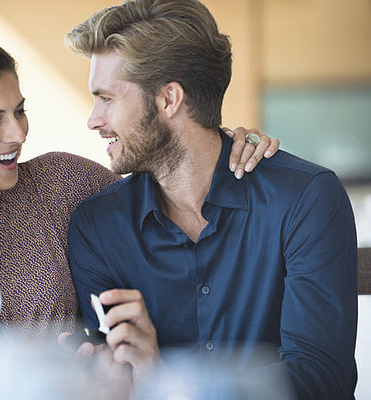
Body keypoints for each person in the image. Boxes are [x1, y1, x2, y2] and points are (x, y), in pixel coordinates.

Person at [0, 30, 277, 399]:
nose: (17, 134)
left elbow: (171, 186)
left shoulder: (59, 182)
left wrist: (222, 146)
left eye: (19, 111)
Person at [65, 1, 358, 399]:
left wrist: (163, 376)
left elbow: (321, 379)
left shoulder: (304, 199)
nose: (94, 119)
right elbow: (116, 379)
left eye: (107, 98)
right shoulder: (98, 228)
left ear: (169, 99)